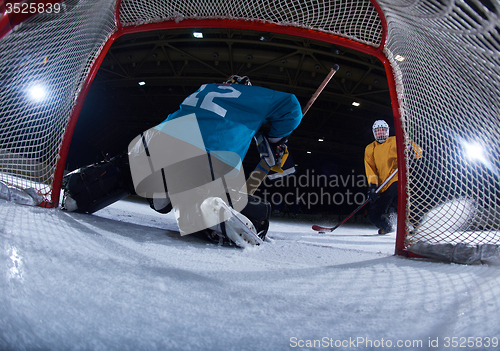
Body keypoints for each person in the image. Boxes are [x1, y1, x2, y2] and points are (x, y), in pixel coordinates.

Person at [63, 75, 303, 248]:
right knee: (249, 211)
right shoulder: (254, 96)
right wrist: (275, 137)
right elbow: (292, 107)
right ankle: (203, 210)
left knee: (122, 171)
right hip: (206, 157)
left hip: (154, 143)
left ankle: (80, 191)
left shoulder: (204, 89)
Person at [364, 120, 422, 234]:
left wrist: (412, 151)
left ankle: (419, 225)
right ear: (374, 133)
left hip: (397, 179)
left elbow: (418, 152)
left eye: (383, 130)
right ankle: (388, 227)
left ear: (387, 131)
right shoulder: (370, 148)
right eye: (377, 131)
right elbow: (370, 168)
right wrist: (372, 186)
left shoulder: (397, 140)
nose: (380, 133)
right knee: (373, 214)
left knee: (401, 202)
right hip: (383, 185)